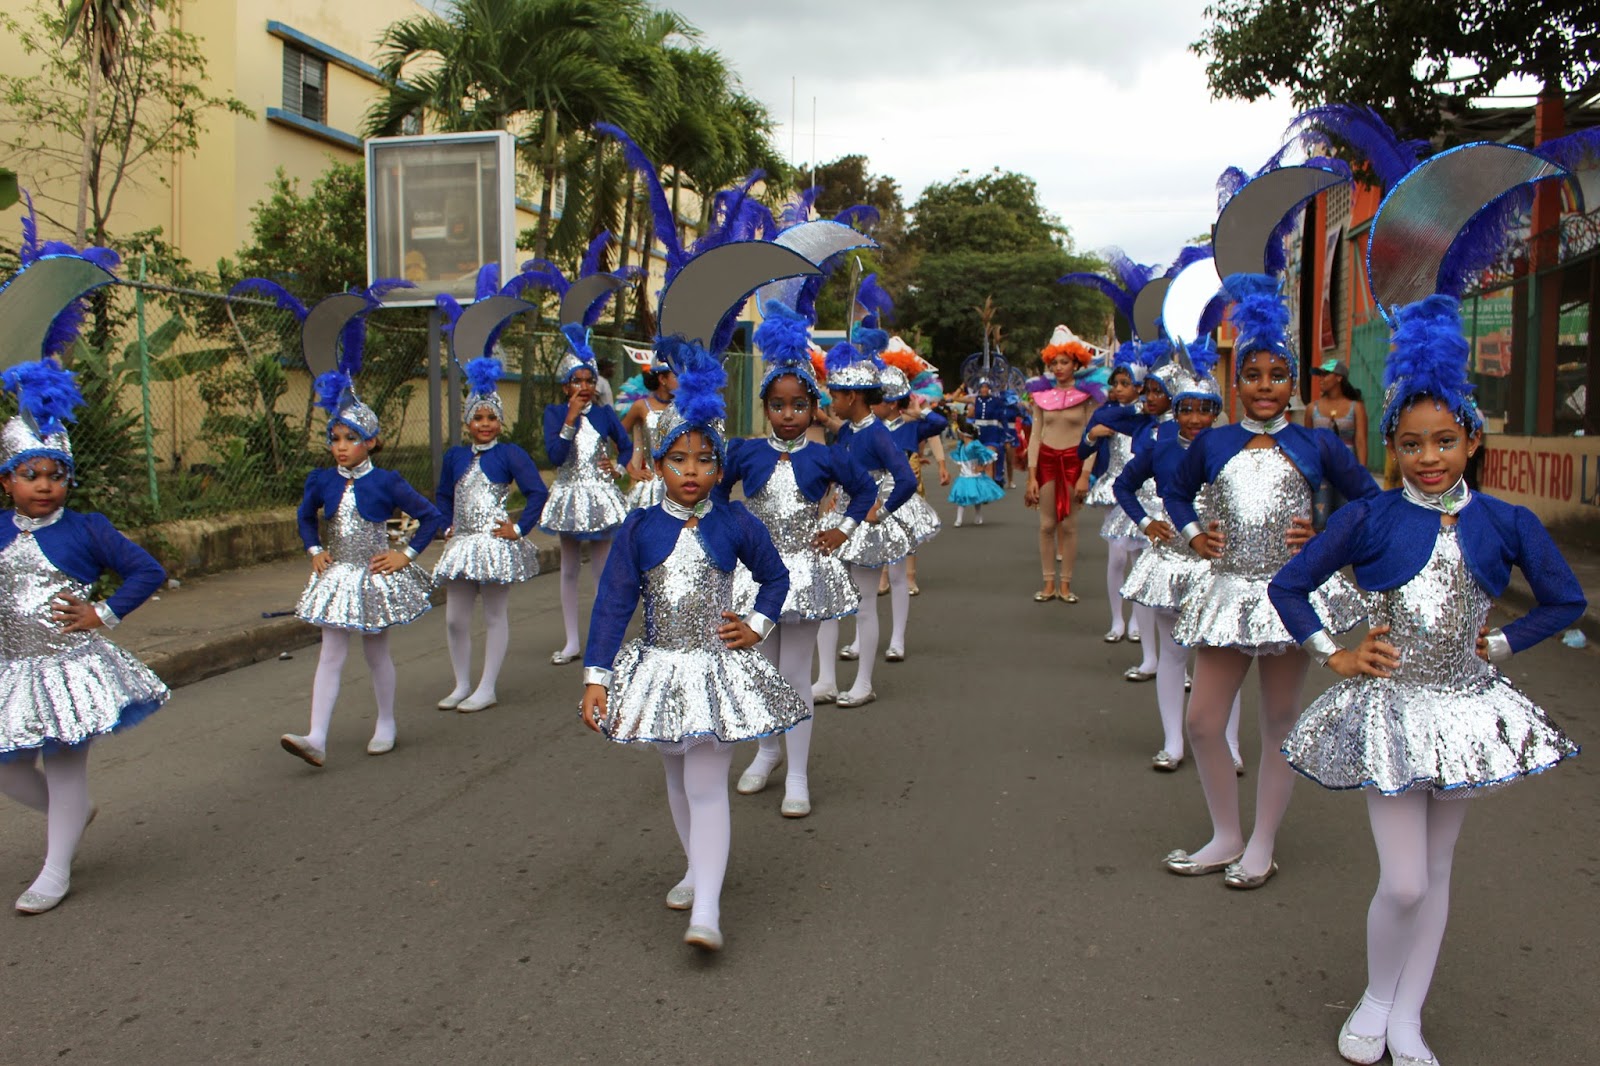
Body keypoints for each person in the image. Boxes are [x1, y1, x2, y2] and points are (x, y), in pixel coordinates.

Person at [1269, 153, 1583, 1066]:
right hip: (1392, 711)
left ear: (1473, 439)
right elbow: (1291, 586)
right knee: (1402, 882)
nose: (1430, 458)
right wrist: (1333, 649)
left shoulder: (1508, 521)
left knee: (1439, 873)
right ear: (1393, 443)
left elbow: (1564, 599)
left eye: (1446, 441)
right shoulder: (1368, 516)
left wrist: (1503, 639)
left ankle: (1408, 1017)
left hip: (1468, 709)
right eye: (1412, 443)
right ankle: (1374, 992)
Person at [579, 327, 810, 954]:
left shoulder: (737, 521)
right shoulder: (639, 528)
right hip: (658, 670)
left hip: (716, 669)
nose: (691, 471)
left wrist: (758, 625)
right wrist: (596, 677)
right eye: (678, 460)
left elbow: (777, 576)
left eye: (704, 460)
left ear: (719, 465)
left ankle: (707, 907)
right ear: (656, 466)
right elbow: (612, 604)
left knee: (706, 784)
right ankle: (695, 868)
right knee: (677, 781)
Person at [1161, 272, 1377, 887]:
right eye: (1252, 376)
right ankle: (1225, 834)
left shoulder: (1316, 445)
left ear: (1291, 384)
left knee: (1279, 719)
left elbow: (1365, 502)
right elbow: (1176, 492)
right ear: (1237, 382)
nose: (1263, 387)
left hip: (1292, 596)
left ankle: (1262, 842)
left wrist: (1328, 533)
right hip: (1228, 590)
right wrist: (1195, 535)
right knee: (1203, 720)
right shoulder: (1214, 443)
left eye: (1276, 377)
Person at [0, 248, 170, 914]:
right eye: (30, 474)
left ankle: (55, 866)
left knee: (66, 762)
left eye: (55, 475)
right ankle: (69, 817)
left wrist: (104, 615)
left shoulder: (88, 528)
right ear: (7, 479)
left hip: (71, 666)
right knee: (11, 765)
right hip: (12, 666)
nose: (44, 486)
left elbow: (145, 570)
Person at [721, 300, 873, 818]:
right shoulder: (744, 452)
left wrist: (842, 529)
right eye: (779, 405)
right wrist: (726, 540)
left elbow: (864, 492)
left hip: (804, 574)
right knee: (761, 672)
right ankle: (766, 753)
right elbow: (715, 499)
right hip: (754, 577)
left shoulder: (826, 455)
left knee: (794, 673)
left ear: (813, 407)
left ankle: (799, 774)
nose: (789, 415)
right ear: (766, 407)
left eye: (799, 405)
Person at [283, 294, 445, 767]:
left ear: (371, 440)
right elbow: (303, 515)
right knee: (330, 653)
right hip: (337, 575)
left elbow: (431, 516)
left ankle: (387, 721)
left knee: (376, 654)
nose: (340, 447)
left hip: (374, 575)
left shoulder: (386, 481)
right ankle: (316, 736)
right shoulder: (321, 480)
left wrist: (405, 555)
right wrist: (314, 548)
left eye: (350, 438)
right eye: (335, 437)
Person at [1113, 343, 1242, 772]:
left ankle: (1229, 744)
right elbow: (1124, 487)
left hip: (1219, 562)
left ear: (1217, 411)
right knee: (1173, 653)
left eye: (1206, 409)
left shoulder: (1233, 448)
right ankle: (1173, 741)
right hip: (1171, 561)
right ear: (1177, 409)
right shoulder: (1160, 447)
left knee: (1224, 652)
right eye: (1187, 408)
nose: (1196, 418)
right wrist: (1145, 522)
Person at [432, 356, 548, 712]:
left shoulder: (510, 454)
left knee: (494, 614)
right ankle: (461, 683)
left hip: (495, 544)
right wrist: (444, 523)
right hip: (462, 543)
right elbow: (442, 494)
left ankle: (487, 686)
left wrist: (518, 527)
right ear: (467, 421)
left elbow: (538, 492)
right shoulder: (454, 456)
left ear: (500, 422)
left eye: (491, 418)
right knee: (454, 618)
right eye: (478, 418)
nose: (485, 424)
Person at [813, 329, 916, 709]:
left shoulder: (878, 436)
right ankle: (824, 679)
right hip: (838, 520)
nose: (831, 401)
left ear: (852, 396)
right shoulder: (845, 434)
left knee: (865, 603)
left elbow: (905, 478)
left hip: (865, 527)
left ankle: (864, 682)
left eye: (836, 395)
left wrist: (882, 510)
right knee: (826, 602)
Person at [539, 336, 631, 665]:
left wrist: (618, 467)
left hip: (599, 495)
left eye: (589, 380)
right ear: (566, 386)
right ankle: (571, 641)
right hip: (568, 496)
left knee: (603, 571)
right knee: (568, 570)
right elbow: (554, 455)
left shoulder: (605, 414)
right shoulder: (554, 414)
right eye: (577, 381)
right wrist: (569, 419)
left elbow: (626, 444)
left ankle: (603, 638)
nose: (584, 386)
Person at [870, 365, 943, 657]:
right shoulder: (868, 428)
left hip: (898, 503)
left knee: (898, 573)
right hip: (868, 505)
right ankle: (862, 638)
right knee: (866, 574)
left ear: (890, 403)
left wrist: (917, 409)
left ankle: (897, 639)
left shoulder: (911, 425)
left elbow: (938, 424)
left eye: (876, 399)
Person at [1024, 326, 1097, 603]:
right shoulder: (1041, 398)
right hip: (1046, 461)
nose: (1059, 367)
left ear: (1076, 363)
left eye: (1064, 362)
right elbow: (1034, 436)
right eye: (1054, 363)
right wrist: (1031, 476)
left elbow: (1092, 439)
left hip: (1073, 462)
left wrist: (1085, 475)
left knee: (1069, 525)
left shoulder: (1088, 397)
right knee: (1046, 525)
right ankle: (1048, 583)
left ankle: (1065, 584)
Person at [1081, 342, 1148, 642]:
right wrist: (1092, 435)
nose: (1119, 389)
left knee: (1140, 556)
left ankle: (1137, 620)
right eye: (1116, 383)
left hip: (1146, 489)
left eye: (1126, 383)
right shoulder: (1106, 413)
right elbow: (1082, 449)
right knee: (1117, 555)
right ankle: (1117, 619)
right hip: (1114, 487)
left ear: (1140, 386)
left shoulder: (1147, 415)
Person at [1306, 357, 1368, 529]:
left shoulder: (1355, 407)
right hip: (1321, 471)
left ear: (1339, 377)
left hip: (1347, 471)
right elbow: (1309, 442)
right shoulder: (1313, 408)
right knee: (1319, 519)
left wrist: (1361, 473)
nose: (1321, 379)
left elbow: (1361, 441)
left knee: (1346, 518)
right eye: (1319, 375)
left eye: (1325, 374)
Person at [620, 351, 677, 512]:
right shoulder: (641, 406)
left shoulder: (685, 408)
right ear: (662, 379)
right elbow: (618, 435)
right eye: (677, 376)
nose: (683, 380)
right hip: (651, 484)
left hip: (680, 484)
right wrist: (630, 468)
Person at [947, 418, 1004, 526]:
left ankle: (978, 515)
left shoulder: (975, 445)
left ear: (964, 434)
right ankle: (959, 519)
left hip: (974, 474)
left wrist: (982, 467)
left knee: (976, 497)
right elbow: (960, 458)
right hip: (964, 475)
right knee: (961, 497)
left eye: (959, 433)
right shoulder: (961, 446)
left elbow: (986, 455)